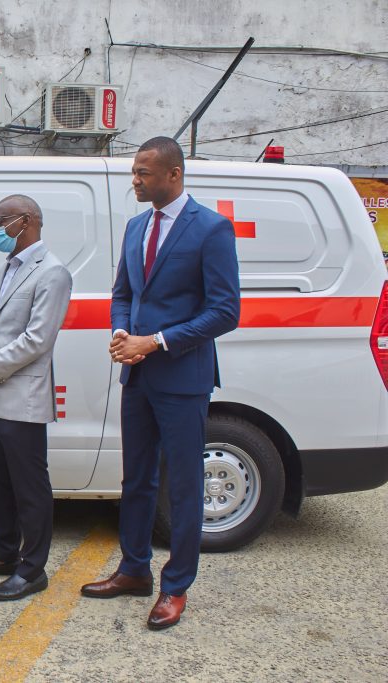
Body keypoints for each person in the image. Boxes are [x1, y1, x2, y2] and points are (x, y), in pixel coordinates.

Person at [80, 137, 240, 630]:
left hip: (182, 377)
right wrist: (123, 331)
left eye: (143, 172)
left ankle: (176, 587)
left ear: (173, 174)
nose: (135, 180)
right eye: (134, 171)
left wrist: (155, 342)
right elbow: (123, 292)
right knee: (137, 477)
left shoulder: (211, 229)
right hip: (139, 375)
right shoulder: (134, 227)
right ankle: (134, 570)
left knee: (185, 484)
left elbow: (224, 312)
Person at [0, 195, 73, 601]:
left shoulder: (53, 273)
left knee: (29, 487)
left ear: (26, 221)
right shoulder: (5, 267)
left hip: (20, 398)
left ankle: (32, 568)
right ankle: (4, 553)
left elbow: (37, 341)